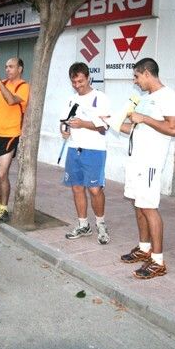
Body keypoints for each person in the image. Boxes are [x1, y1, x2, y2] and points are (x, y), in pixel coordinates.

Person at [119, 58, 175, 280]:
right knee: (139, 204)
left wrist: (144, 118)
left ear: (146, 73)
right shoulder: (144, 99)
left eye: (136, 76)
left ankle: (158, 261)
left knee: (149, 207)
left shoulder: (168, 96)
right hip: (136, 160)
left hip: (150, 163)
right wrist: (110, 122)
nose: (135, 81)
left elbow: (173, 128)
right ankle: (144, 249)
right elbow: (135, 129)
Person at [60, 63, 112, 244]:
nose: (77, 85)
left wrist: (83, 124)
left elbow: (104, 127)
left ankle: (101, 224)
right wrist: (64, 131)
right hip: (74, 149)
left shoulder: (100, 98)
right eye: (74, 82)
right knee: (77, 187)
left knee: (95, 189)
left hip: (95, 150)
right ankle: (83, 225)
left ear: (88, 78)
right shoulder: (71, 99)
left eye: (80, 81)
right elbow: (64, 122)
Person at [0, 57, 30, 223]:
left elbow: (11, 100)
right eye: (6, 67)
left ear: (20, 69)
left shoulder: (23, 86)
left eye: (11, 67)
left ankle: (4, 207)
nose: (7, 69)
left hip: (9, 135)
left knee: (2, 173)